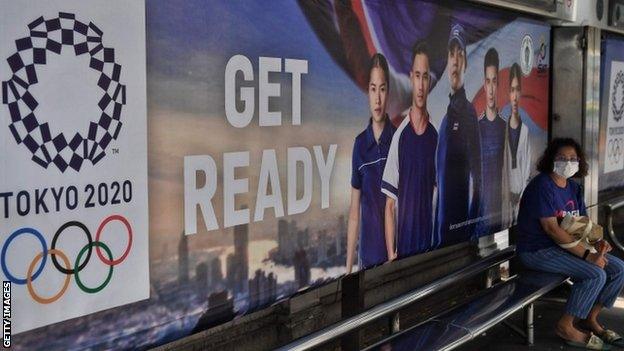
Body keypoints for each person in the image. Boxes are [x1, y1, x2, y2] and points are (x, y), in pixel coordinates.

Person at [517, 138, 624, 349]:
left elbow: (580, 224)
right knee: (595, 273)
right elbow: (552, 230)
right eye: (562, 158)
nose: (568, 162)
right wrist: (588, 256)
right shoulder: (541, 186)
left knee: (619, 268)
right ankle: (566, 326)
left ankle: (589, 318)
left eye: (573, 158)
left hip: (561, 248)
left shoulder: (573, 188)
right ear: (550, 160)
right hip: (537, 250)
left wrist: (598, 243)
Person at [381, 40, 438, 259]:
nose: (421, 85)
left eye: (425, 76)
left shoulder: (435, 138)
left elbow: (439, 199)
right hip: (405, 251)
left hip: (430, 251)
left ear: (429, 81)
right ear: (410, 77)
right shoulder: (400, 137)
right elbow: (389, 205)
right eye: (417, 76)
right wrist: (391, 255)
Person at [346, 53, 395, 273]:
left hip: (396, 257)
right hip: (366, 261)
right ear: (368, 92)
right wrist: (348, 271)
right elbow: (354, 213)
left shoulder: (399, 140)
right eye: (373, 89)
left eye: (382, 89)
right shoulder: (359, 145)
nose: (377, 98)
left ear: (388, 92)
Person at [435, 23, 482, 246]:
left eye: (460, 54)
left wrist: (469, 231)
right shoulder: (445, 120)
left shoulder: (468, 113)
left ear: (465, 62)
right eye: (451, 54)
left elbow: (480, 182)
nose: (454, 60)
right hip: (440, 243)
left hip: (458, 243)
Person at [477, 48, 506, 236]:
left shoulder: (506, 128)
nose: (491, 88)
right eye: (488, 81)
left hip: (502, 213)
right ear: (484, 85)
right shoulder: (476, 128)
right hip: (480, 214)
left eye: (494, 81)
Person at [502, 63, 531, 228]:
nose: (514, 96)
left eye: (517, 90)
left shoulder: (525, 131)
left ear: (521, 93)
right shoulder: (502, 130)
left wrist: (521, 196)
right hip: (504, 200)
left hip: (520, 197)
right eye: (511, 90)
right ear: (508, 93)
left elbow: (526, 170)